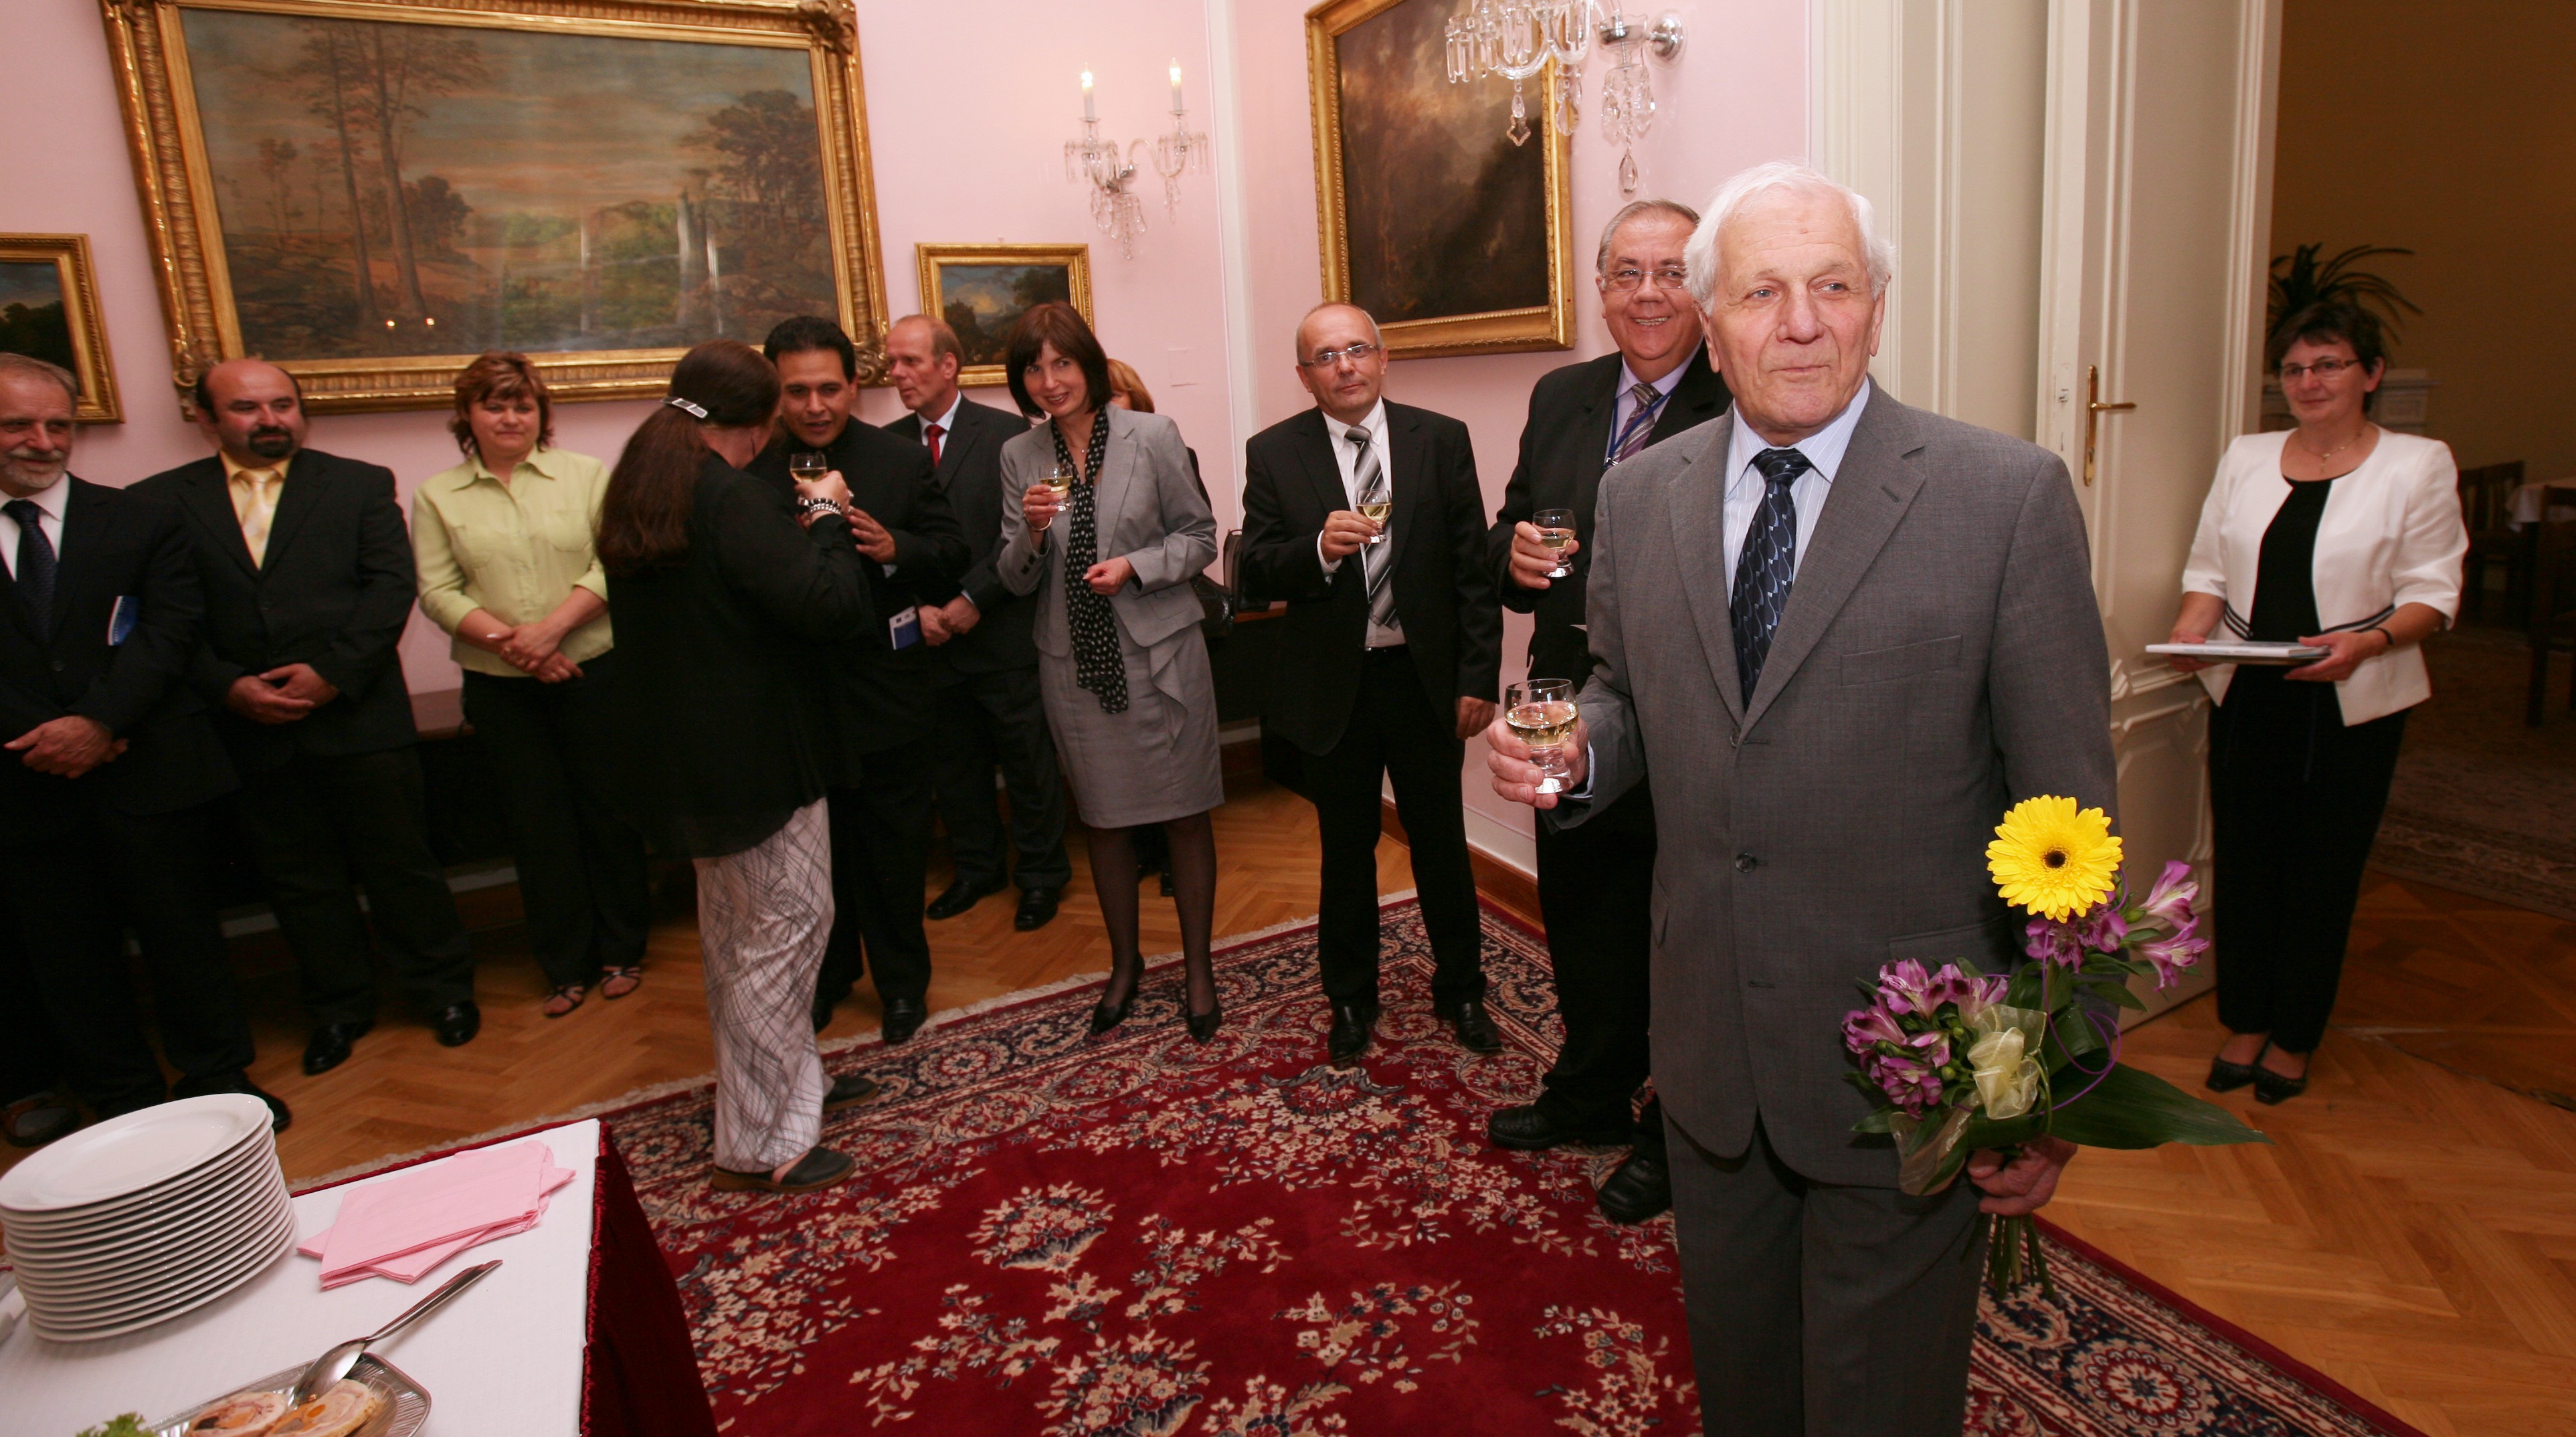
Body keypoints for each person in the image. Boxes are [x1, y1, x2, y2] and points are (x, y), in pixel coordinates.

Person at [1485, 163, 2114, 1436]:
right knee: (1745, 1386)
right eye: (1763, 292)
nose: (1803, 323)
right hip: (1709, 1055)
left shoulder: (2004, 498)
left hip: (1913, 1068)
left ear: (1877, 308)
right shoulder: (1638, 496)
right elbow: (1623, 693)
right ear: (1710, 323)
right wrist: (1581, 753)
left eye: (1833, 286)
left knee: (1881, 1405)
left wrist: (2060, 1075)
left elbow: (2070, 820)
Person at [1485, 199, 1731, 1225]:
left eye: (1671, 272)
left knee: (1684, 939)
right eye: (1626, 273)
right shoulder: (1563, 394)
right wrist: (1512, 557)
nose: (1647, 294)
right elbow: (1511, 530)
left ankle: (1676, 1131)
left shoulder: (1738, 396)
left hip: (1685, 709)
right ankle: (1589, 1088)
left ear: (1704, 288)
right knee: (1583, 915)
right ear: (1599, 289)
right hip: (1563, 699)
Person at [135, 359, 478, 1077]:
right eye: (247, 408)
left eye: (283, 404)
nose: (270, 419)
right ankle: (339, 1007)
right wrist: (229, 687)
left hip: (358, 717)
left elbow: (390, 588)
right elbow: (167, 618)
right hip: (249, 727)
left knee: (402, 865)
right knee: (298, 879)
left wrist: (332, 675)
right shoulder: (160, 502)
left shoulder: (358, 483)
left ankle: (442, 991)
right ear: (206, 419)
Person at [596, 341, 879, 1193]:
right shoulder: (729, 497)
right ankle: (762, 1143)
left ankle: (791, 1088)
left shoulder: (645, 484)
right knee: (784, 933)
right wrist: (826, 516)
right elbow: (830, 605)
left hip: (693, 757)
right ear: (757, 424)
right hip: (758, 759)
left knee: (736, 937)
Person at [2167, 300, 2464, 1105]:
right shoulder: (2247, 455)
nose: (2308, 381)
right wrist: (2191, 631)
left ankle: (2295, 1034)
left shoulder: (2416, 463)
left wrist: (2367, 643)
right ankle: (2245, 1020)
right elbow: (2207, 570)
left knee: (2321, 871)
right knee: (2247, 862)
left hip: (2351, 699)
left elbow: (2434, 592)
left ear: (2370, 374)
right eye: (2294, 368)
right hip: (2249, 689)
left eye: (2328, 364)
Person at [0, 353, 287, 1132]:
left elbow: (168, 632)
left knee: (184, 935)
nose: (42, 441)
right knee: (66, 951)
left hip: (149, 771)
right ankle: (120, 1098)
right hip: (24, 782)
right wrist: (43, 735)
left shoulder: (139, 519)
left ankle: (220, 1078)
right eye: (19, 424)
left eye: (58, 424)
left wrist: (99, 723)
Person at [1238, 302, 1502, 1068]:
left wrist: (1477, 677)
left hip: (1424, 682)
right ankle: (1351, 998)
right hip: (1334, 687)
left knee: (1441, 846)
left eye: (1357, 349)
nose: (1344, 366)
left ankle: (1462, 990)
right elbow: (1255, 568)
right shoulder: (1273, 452)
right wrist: (1318, 549)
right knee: (1346, 850)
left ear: (1383, 359)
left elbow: (1471, 571)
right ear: (1304, 376)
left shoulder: (1439, 439)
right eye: (1325, 356)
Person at [995, 302, 1224, 1041]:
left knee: (1185, 815)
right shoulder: (1020, 455)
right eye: (1034, 369)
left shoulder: (1151, 435)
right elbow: (1014, 576)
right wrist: (1034, 533)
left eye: (1062, 363)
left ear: (1087, 365)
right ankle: (1125, 967)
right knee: (1104, 820)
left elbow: (1199, 538)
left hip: (1162, 654)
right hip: (1074, 665)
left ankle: (1197, 971)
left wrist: (1136, 566)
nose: (1050, 381)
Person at [413, 354, 651, 1019]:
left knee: (608, 815)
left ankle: (622, 950)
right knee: (537, 826)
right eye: (494, 406)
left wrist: (550, 632)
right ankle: (564, 965)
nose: (510, 418)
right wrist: (516, 646)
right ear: (467, 416)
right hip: (502, 688)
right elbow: (437, 592)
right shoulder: (437, 495)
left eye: (523, 405)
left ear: (542, 414)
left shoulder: (586, 475)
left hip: (593, 673)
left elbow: (614, 561)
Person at [751, 316, 968, 1042]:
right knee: (811, 862)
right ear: (776, 393)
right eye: (797, 391)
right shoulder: (751, 470)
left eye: (829, 388)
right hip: (795, 700)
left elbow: (950, 551)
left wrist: (893, 547)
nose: (815, 406)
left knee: (894, 854)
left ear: (853, 386)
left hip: (888, 693)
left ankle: (902, 986)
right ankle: (827, 978)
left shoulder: (897, 459)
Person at [893, 315, 1074, 931]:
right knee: (955, 768)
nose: (897, 374)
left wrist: (975, 597)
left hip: (1003, 632)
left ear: (948, 365)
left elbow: (1023, 533)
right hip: (931, 642)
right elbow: (885, 543)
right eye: (892, 363)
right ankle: (976, 869)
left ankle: (1042, 876)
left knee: (1028, 765)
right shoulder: (887, 446)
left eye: (910, 361)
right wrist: (918, 611)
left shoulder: (1010, 435)